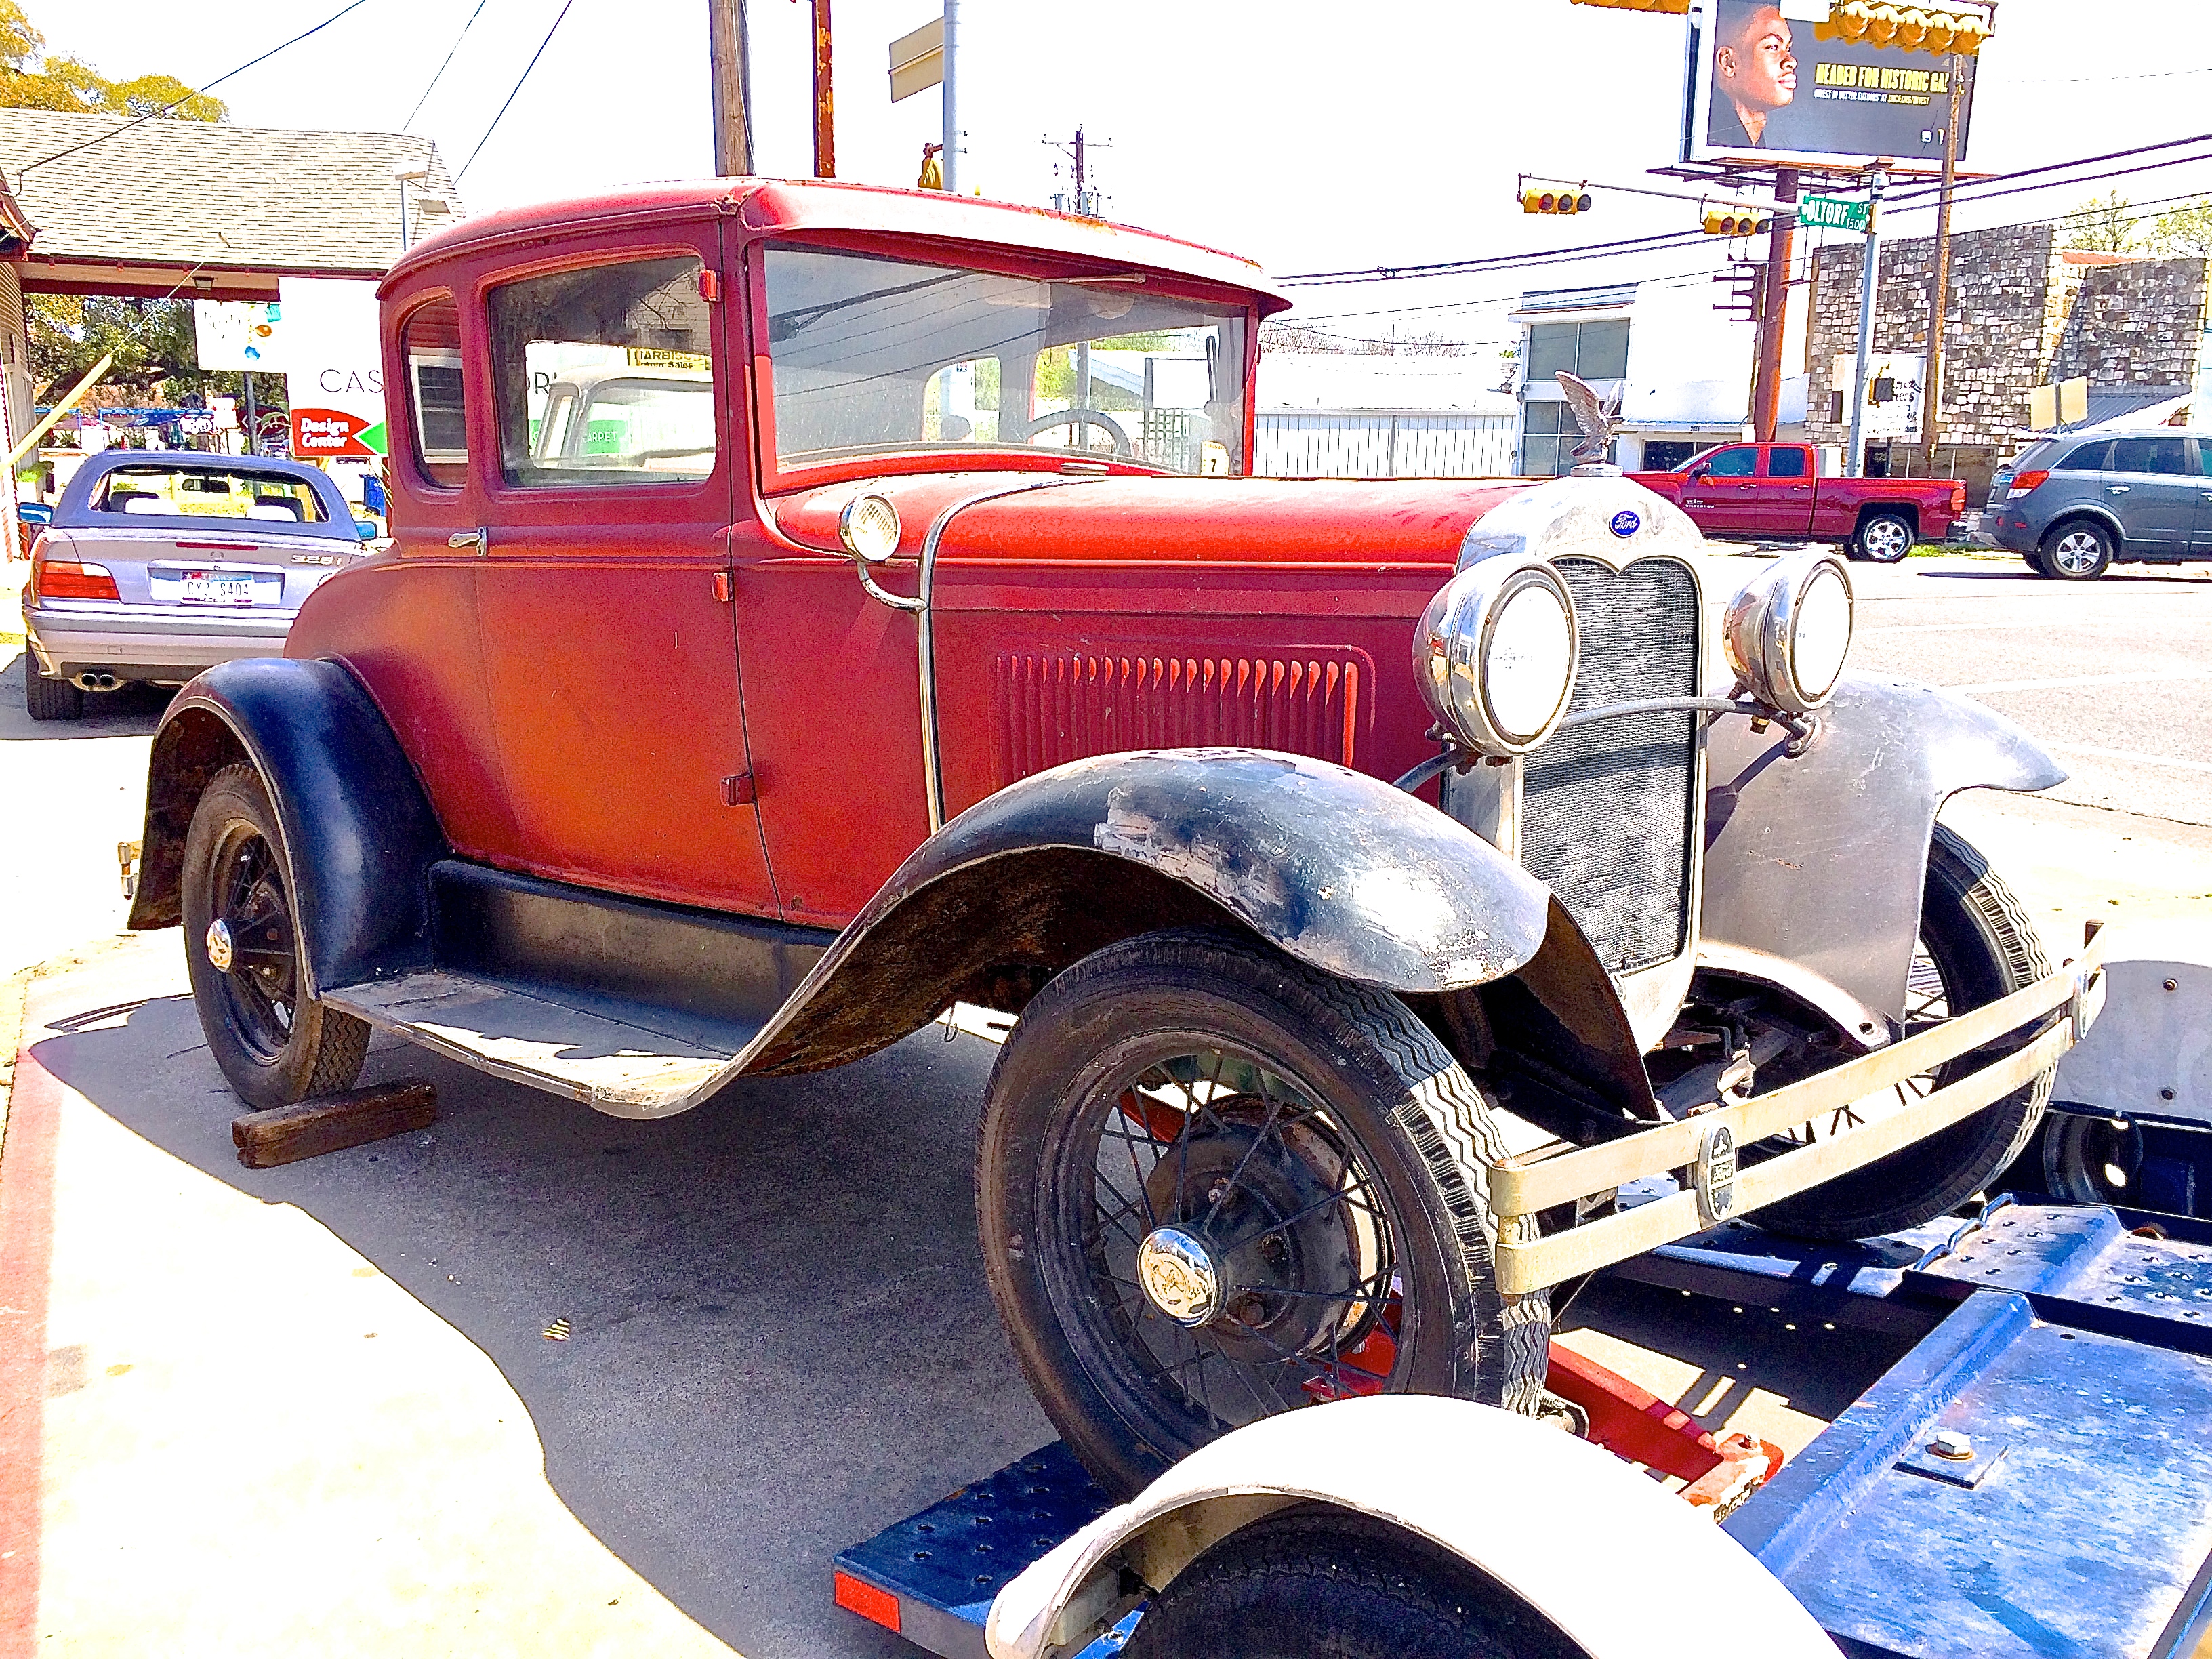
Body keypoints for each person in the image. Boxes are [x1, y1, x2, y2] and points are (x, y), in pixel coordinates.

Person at [1710, 1, 1797, 150]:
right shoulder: (1714, 144)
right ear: (1729, 63)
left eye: (1788, 48)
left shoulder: (1748, 144)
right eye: (1773, 47)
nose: (1791, 62)